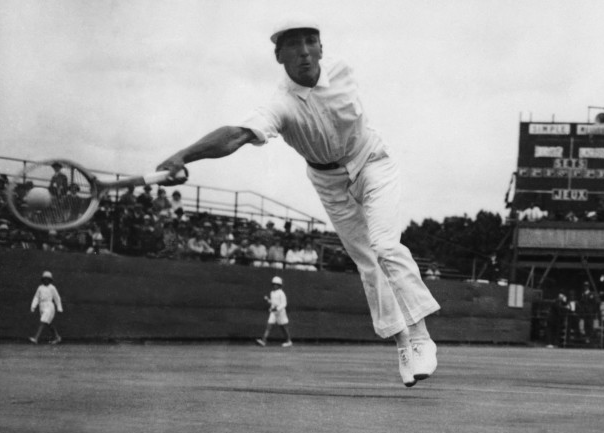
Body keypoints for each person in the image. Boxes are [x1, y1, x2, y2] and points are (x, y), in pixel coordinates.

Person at [156, 18, 440, 387]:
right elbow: (236, 136)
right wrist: (185, 155)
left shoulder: (342, 70)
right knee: (369, 264)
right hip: (328, 181)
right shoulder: (280, 105)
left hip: (373, 163)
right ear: (279, 56)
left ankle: (420, 335)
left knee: (385, 246)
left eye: (311, 42)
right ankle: (403, 343)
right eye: (293, 45)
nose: (304, 52)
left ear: (321, 48)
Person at [255, 276, 292, 347]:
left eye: (276, 284)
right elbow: (273, 302)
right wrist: (268, 300)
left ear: (279, 285)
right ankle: (263, 341)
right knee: (269, 326)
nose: (275, 285)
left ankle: (289, 341)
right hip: (273, 313)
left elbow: (284, 304)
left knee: (284, 327)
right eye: (274, 284)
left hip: (281, 313)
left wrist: (277, 309)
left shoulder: (281, 293)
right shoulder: (272, 293)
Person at [29, 271, 63, 344]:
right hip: (42, 306)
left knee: (43, 321)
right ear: (42, 279)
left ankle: (36, 338)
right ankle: (57, 337)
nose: (46, 280)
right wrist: (33, 306)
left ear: (50, 280)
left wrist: (59, 307)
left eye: (48, 279)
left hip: (49, 306)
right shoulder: (40, 288)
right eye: (45, 279)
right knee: (48, 323)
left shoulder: (52, 288)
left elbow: (57, 298)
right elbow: (36, 297)